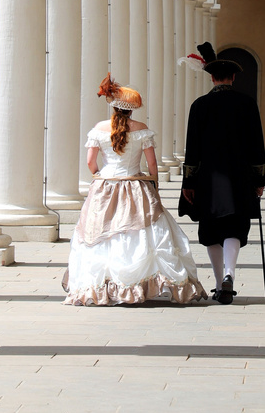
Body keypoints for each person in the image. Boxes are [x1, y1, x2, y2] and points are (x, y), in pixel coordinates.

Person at [63, 75, 207, 306]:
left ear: (114, 107)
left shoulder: (99, 129)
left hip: (106, 185)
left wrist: (101, 175)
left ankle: (105, 286)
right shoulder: (142, 130)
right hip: (135, 185)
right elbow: (151, 165)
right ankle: (140, 283)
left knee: (103, 232)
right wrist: (154, 186)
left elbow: (91, 163)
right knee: (140, 231)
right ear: (131, 110)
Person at [178, 43, 265, 303]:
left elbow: (192, 148)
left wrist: (188, 182)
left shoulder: (200, 105)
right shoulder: (247, 104)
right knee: (235, 227)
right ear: (233, 77)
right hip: (239, 177)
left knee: (210, 230)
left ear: (211, 77)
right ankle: (229, 274)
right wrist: (259, 180)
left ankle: (219, 283)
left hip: (208, 178)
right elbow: (257, 144)